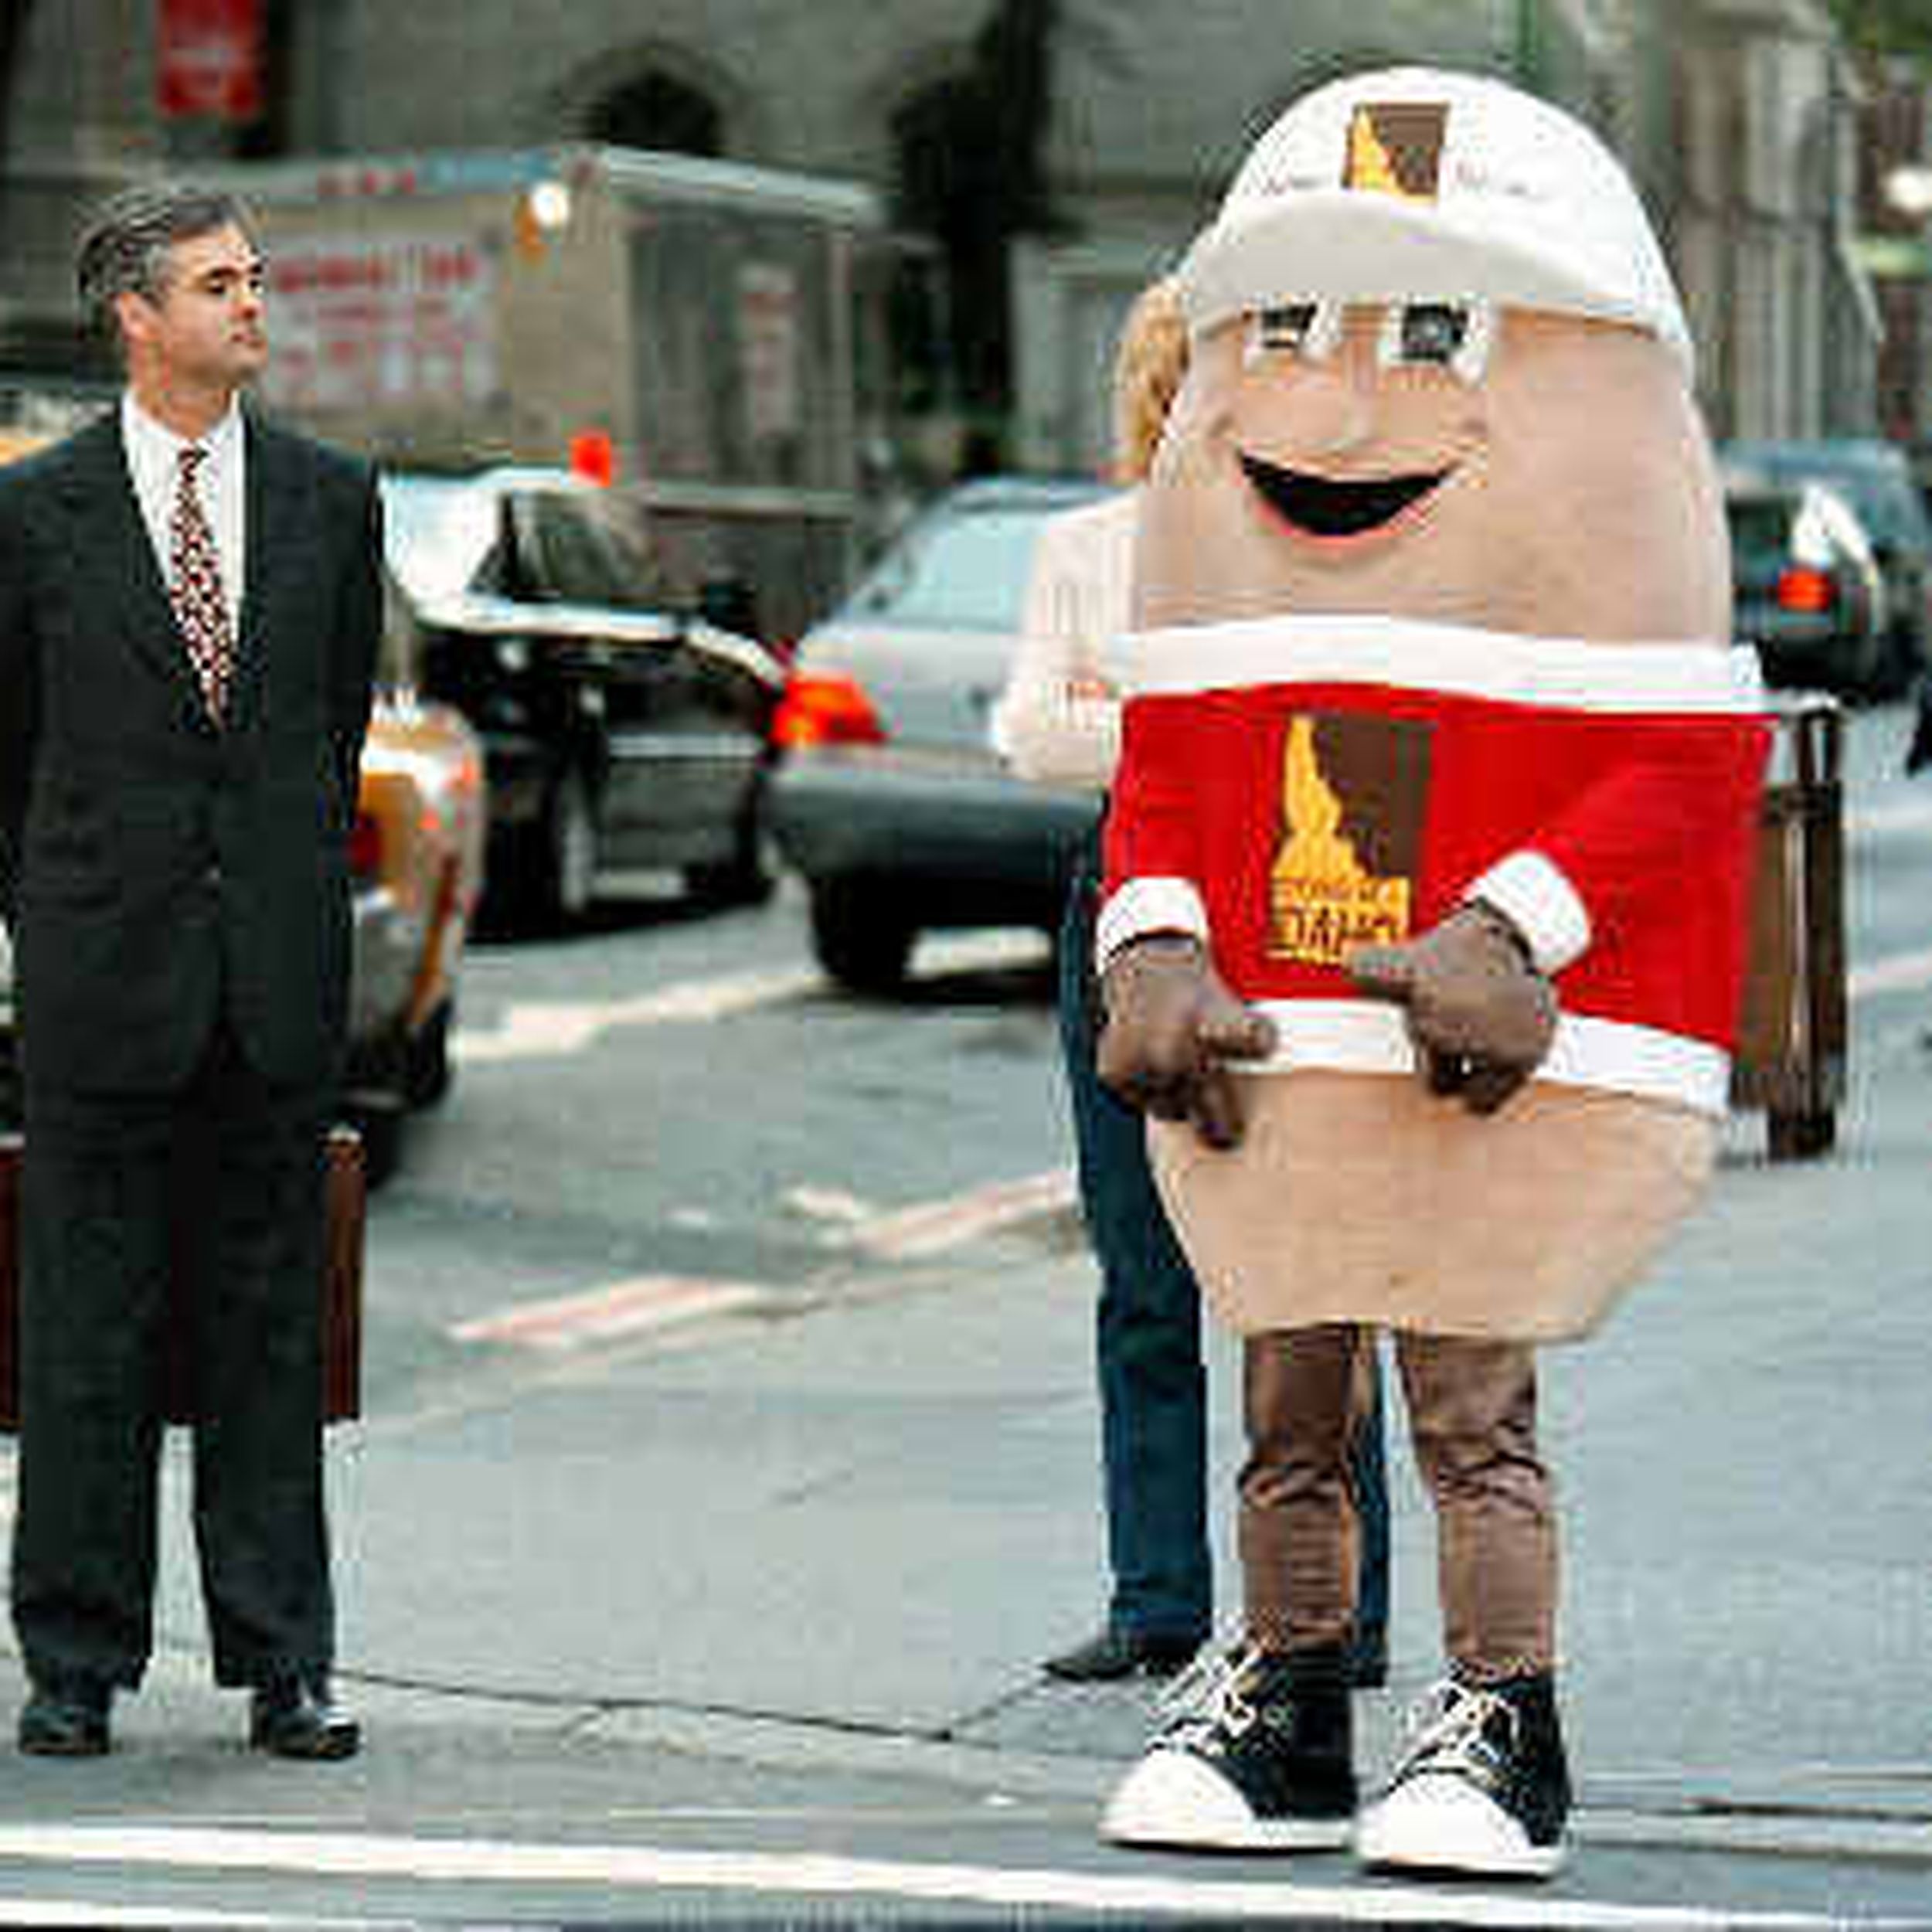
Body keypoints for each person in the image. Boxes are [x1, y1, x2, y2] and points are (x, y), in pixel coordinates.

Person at [1092, 68, 1768, 1878]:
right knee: (1283, 1400)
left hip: (1468, 1060)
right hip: (1271, 1048)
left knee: (1471, 1406)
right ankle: (1291, 1698)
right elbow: (1158, 775)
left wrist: (1516, 923)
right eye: (1296, 325)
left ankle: (1499, 1716)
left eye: (1433, 328)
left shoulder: (1606, 600)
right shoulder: (1216, 606)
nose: (1341, 393)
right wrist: (1149, 938)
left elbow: (1681, 763)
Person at [0, 183, 382, 1760]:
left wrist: (276, 906)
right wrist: (49, 924)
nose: (253, 304)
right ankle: (74, 1663)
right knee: (83, 1331)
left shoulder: (329, 499)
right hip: (101, 981)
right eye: (219, 283)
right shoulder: (33, 515)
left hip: (271, 982)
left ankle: (284, 1658)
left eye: (257, 278)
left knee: (268, 1332)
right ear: (135, 317)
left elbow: (328, 734)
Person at [995, 281, 1389, 1687]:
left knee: (1315, 1269)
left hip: (1289, 914)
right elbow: (1033, 734)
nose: (1193, 413)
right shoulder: (1084, 547)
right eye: (1174, 384)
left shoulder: (1313, 547)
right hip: (1126, 916)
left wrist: (1139, 713)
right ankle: (1157, 1598)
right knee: (1141, 1271)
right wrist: (1187, 737)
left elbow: (1325, 740)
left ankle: (1342, 1608)